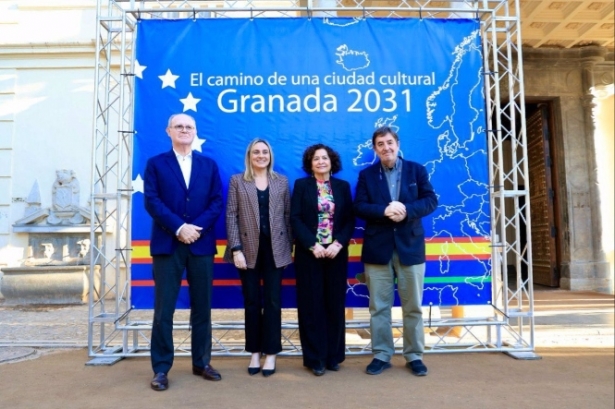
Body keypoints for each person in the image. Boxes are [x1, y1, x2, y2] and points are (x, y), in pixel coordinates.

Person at [143, 113, 223, 391]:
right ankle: (161, 368)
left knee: (202, 307)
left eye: (189, 127)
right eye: (179, 126)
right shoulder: (155, 164)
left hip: (200, 244)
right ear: (169, 131)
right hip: (168, 245)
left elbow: (216, 202)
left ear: (195, 131)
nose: (184, 130)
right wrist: (179, 228)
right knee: (164, 309)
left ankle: (202, 362)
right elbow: (152, 201)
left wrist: (194, 228)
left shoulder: (208, 165)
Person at [353, 126, 437, 377]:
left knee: (413, 306)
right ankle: (381, 354)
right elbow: (359, 206)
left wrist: (406, 209)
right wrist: (384, 211)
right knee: (379, 306)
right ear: (375, 149)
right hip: (378, 248)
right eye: (380, 144)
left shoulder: (416, 170)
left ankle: (414, 355)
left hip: (409, 246)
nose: (386, 147)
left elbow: (431, 200)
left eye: (389, 142)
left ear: (397, 144)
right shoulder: (367, 175)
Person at [224, 138, 292, 377]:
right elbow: (231, 216)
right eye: (256, 152)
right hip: (247, 251)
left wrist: (290, 248)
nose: (261, 155)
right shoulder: (237, 181)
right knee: (252, 302)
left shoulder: (281, 182)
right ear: (249, 156)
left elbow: (287, 215)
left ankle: (271, 353)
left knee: (273, 302)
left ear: (270, 155)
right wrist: (236, 249)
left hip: (276, 249)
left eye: (265, 152)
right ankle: (254, 351)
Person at [291, 144, 355, 376]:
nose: (320, 162)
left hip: (336, 253)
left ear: (332, 161)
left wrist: (338, 243)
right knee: (311, 305)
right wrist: (312, 244)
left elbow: (349, 219)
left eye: (324, 158)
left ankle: (333, 356)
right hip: (310, 254)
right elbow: (295, 218)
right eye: (316, 158)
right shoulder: (301, 186)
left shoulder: (342, 186)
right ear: (310, 163)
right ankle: (315, 358)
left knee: (334, 304)